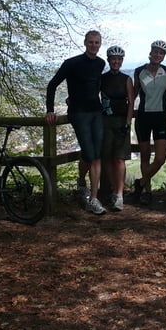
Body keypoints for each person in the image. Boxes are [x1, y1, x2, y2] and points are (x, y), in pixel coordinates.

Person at [46, 30, 107, 215]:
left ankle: (93, 199)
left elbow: (95, 86)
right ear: (85, 42)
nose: (94, 45)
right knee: (88, 154)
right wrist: (50, 110)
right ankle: (82, 183)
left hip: (96, 112)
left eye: (97, 42)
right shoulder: (72, 63)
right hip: (79, 113)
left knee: (97, 155)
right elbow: (52, 84)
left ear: (100, 44)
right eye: (91, 42)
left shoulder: (100, 63)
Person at [132, 40, 166, 205]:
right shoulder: (139, 71)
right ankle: (147, 192)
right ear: (151, 52)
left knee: (161, 158)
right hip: (143, 117)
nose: (157, 55)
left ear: (163, 56)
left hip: (160, 117)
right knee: (145, 156)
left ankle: (140, 183)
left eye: (161, 53)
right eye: (155, 51)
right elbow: (133, 93)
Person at [100, 46, 135, 212]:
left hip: (121, 121)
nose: (116, 61)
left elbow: (131, 101)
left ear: (122, 61)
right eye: (113, 59)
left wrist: (128, 123)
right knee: (107, 158)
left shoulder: (126, 79)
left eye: (119, 59)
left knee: (120, 159)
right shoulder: (102, 79)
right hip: (105, 121)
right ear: (109, 60)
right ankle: (114, 190)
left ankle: (120, 195)